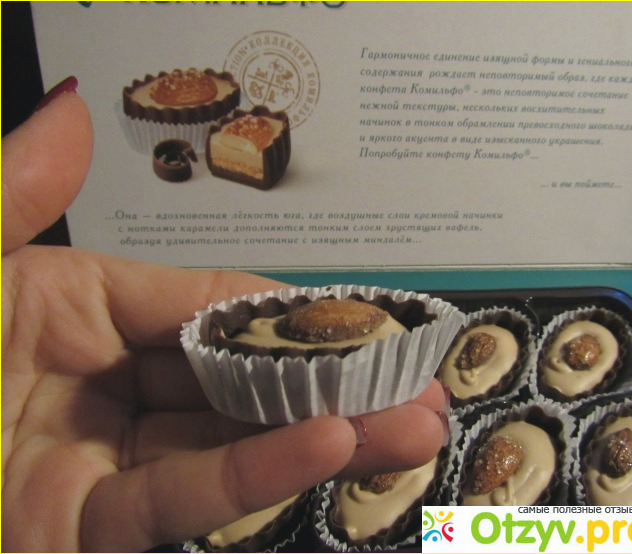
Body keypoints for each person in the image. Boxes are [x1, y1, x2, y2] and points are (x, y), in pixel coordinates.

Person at [1, 77, 450, 552]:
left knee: (446, 496)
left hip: (449, 526)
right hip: (399, 514)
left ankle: (486, 534)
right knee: (379, 455)